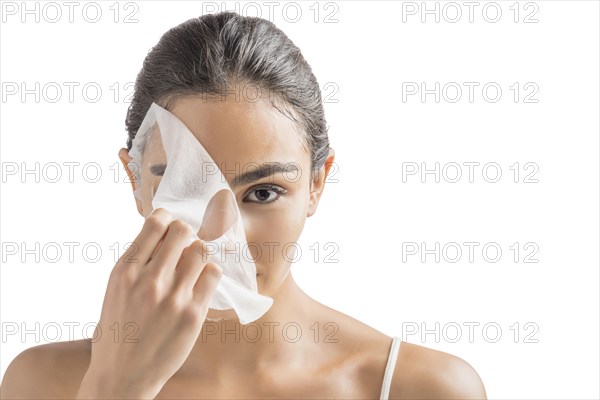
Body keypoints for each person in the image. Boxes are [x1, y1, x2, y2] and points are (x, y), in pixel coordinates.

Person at [0, 11, 487, 399]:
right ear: (134, 181)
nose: (220, 237)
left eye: (263, 193)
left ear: (317, 184)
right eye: (187, 189)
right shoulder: (41, 385)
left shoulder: (421, 389)